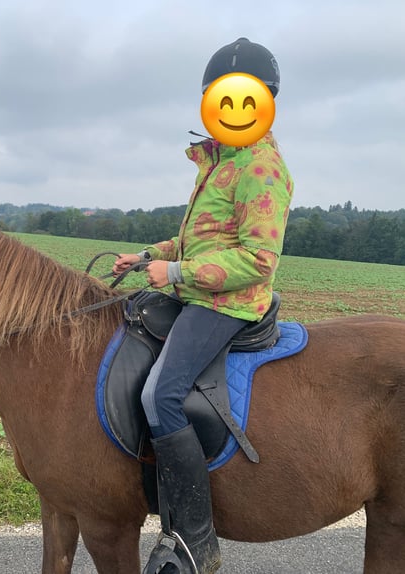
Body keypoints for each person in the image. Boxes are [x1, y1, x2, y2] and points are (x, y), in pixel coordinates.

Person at [113, 38, 294, 574]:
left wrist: (177, 274)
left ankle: (194, 539)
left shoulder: (260, 167)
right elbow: (199, 240)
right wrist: (147, 255)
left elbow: (259, 259)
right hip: (196, 290)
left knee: (160, 394)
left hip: (229, 303)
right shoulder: (218, 163)